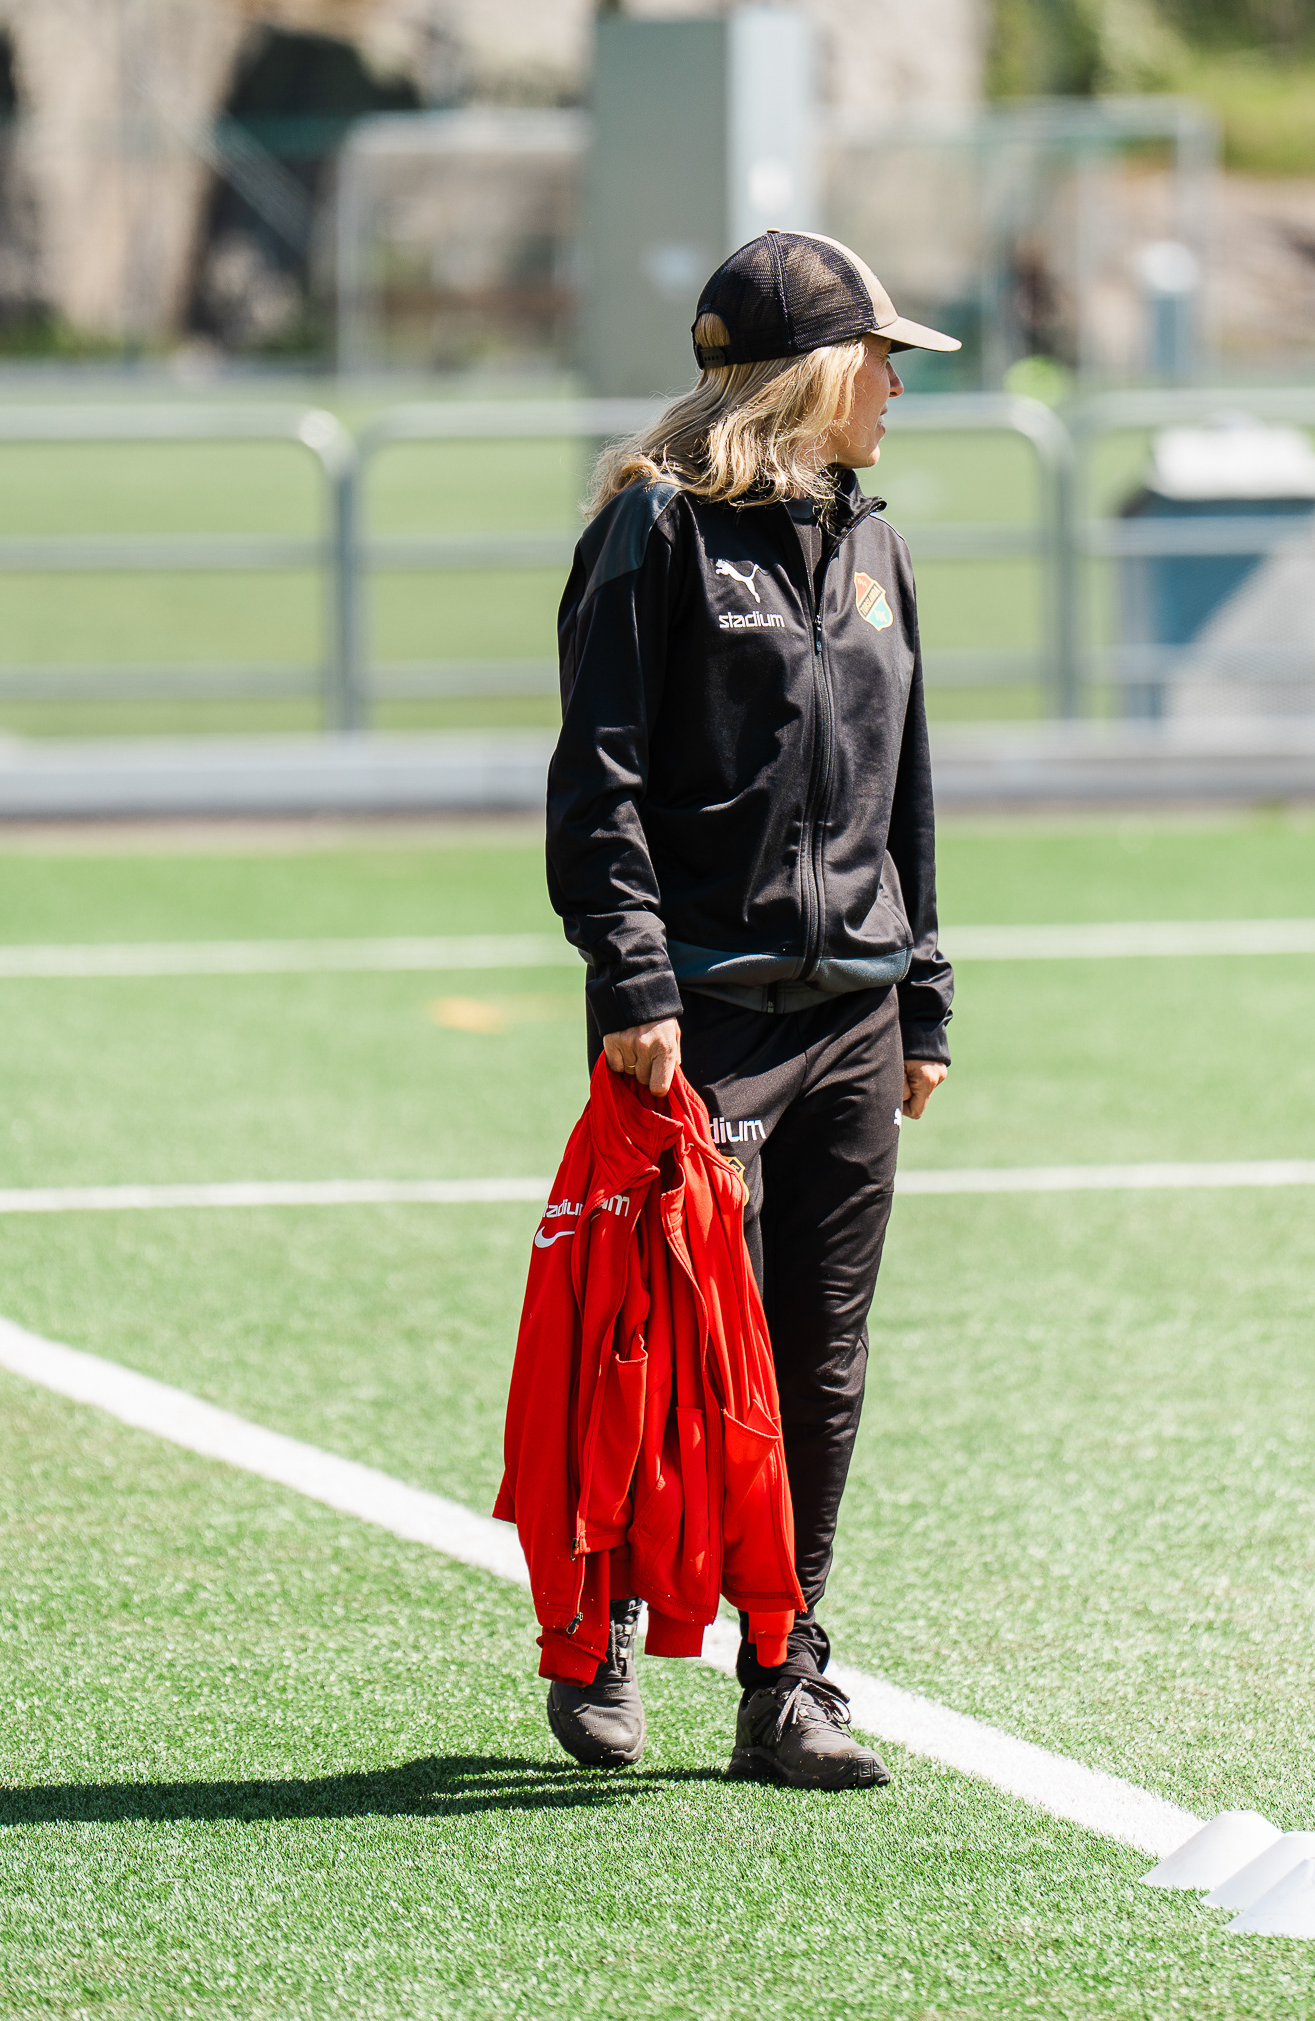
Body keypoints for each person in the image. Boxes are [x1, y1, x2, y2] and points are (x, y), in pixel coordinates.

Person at [541, 228, 959, 1791]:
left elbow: (907, 788)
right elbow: (600, 779)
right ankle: (604, 1623)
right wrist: (633, 975)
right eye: (882, 360)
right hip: (703, 1014)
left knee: (817, 1360)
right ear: (813, 374)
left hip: (854, 1012)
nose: (897, 387)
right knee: (659, 1350)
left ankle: (786, 1678)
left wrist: (922, 992)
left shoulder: (874, 546)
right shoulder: (652, 531)